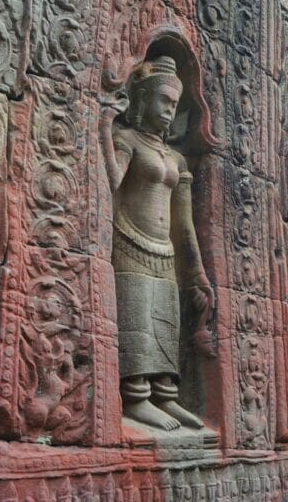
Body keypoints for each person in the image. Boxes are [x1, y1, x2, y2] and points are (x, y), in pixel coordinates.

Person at [110, 55, 214, 431]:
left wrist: (197, 274)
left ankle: (165, 395)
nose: (170, 111)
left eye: (174, 104)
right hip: (128, 240)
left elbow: (184, 223)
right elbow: (109, 184)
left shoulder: (176, 158)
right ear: (141, 101)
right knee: (137, 318)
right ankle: (136, 396)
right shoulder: (126, 140)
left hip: (163, 250)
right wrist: (108, 120)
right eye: (163, 101)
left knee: (164, 322)